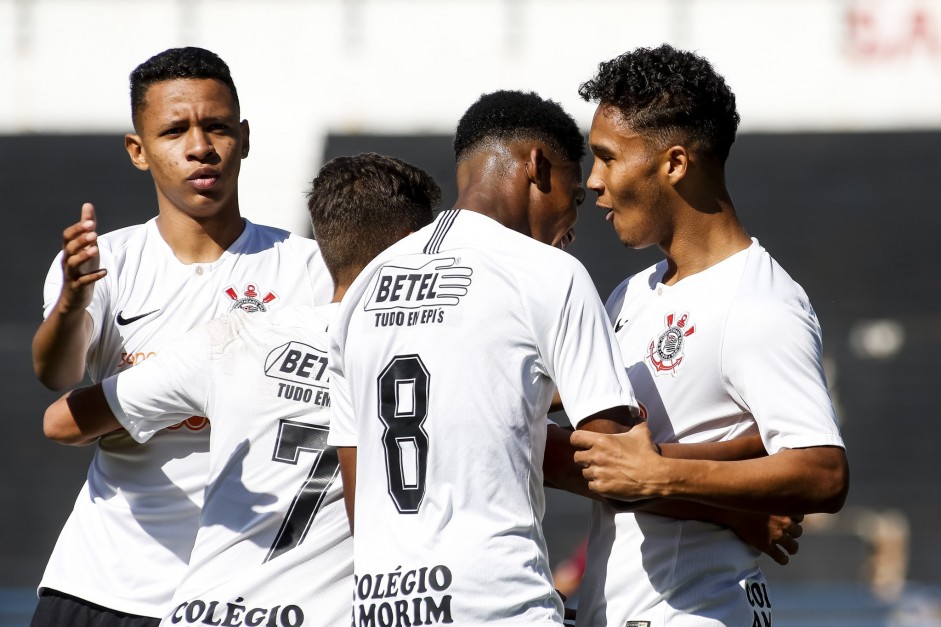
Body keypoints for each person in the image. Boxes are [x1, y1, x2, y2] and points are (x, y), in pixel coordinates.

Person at [40, 153, 442, 626]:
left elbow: (61, 421)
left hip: (207, 610)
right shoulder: (433, 358)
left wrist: (230, 403)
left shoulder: (234, 340)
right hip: (317, 610)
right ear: (408, 245)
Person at [30, 47, 332, 627]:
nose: (200, 147)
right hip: (103, 586)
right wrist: (70, 304)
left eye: (216, 126)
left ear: (243, 138)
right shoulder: (108, 261)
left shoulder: (308, 269)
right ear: (138, 151)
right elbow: (57, 377)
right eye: (175, 130)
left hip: (242, 600)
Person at [326, 90, 640, 626]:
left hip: (379, 608)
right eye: (575, 195)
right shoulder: (548, 273)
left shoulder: (365, 287)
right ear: (538, 167)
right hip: (497, 603)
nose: (574, 219)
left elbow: (362, 487)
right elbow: (620, 464)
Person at [569, 44, 850, 626]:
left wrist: (665, 473)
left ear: (674, 164)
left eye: (607, 157)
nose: (593, 181)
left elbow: (823, 471)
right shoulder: (632, 295)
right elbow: (599, 457)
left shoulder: (759, 303)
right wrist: (724, 501)